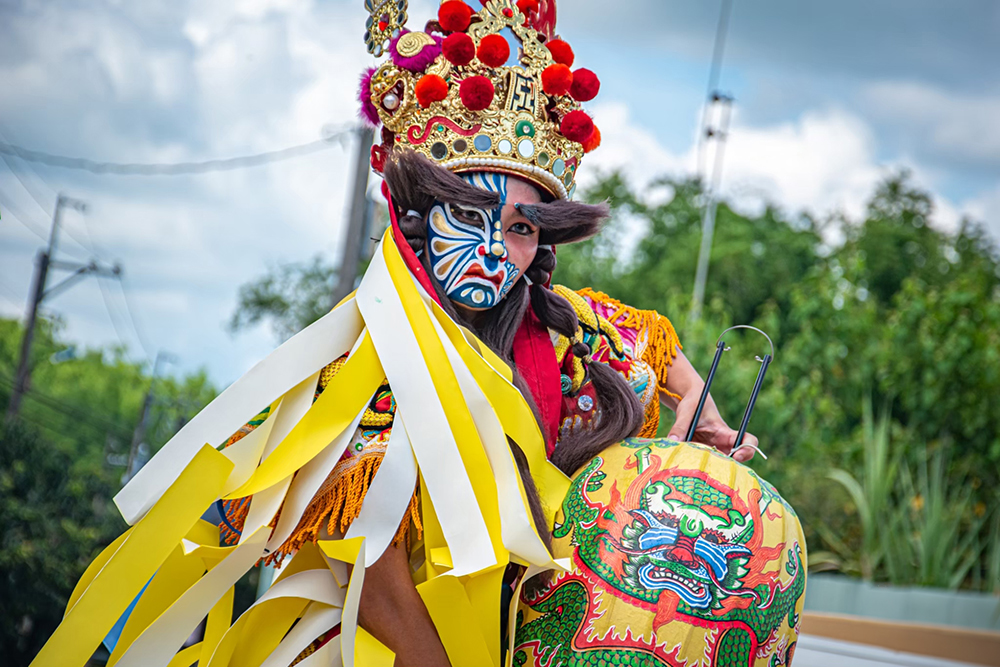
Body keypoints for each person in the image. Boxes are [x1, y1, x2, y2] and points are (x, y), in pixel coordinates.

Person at [33, 2, 803, 666]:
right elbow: (369, 563)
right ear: (418, 213)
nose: (497, 251)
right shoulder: (363, 370)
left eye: (522, 226)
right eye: (468, 216)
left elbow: (665, 356)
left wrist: (707, 426)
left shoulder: (569, 332)